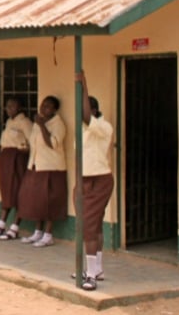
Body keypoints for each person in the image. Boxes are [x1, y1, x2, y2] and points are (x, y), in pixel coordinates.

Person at [72, 71, 114, 291]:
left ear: (94, 110)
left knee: (89, 226)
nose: (79, 113)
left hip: (100, 181)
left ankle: (90, 276)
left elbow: (87, 116)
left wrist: (83, 84)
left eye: (84, 108)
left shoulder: (103, 127)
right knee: (93, 224)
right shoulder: (81, 129)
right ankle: (96, 268)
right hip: (84, 181)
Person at [16, 96, 67, 248]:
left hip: (52, 167)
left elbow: (52, 143)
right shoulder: (39, 123)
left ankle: (48, 234)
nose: (43, 108)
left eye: (48, 106)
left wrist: (42, 125)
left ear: (54, 110)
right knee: (38, 201)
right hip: (36, 165)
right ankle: (38, 232)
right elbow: (35, 143)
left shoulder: (58, 124)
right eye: (42, 105)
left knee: (49, 202)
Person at [0, 97, 32, 240]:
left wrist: (23, 151)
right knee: (6, 192)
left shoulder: (25, 123)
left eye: (12, 106)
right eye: (7, 106)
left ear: (20, 107)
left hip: (18, 159)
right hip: (6, 159)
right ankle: (1, 225)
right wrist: (0, 147)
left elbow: (32, 143)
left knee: (17, 192)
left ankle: (15, 227)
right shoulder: (10, 122)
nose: (9, 109)